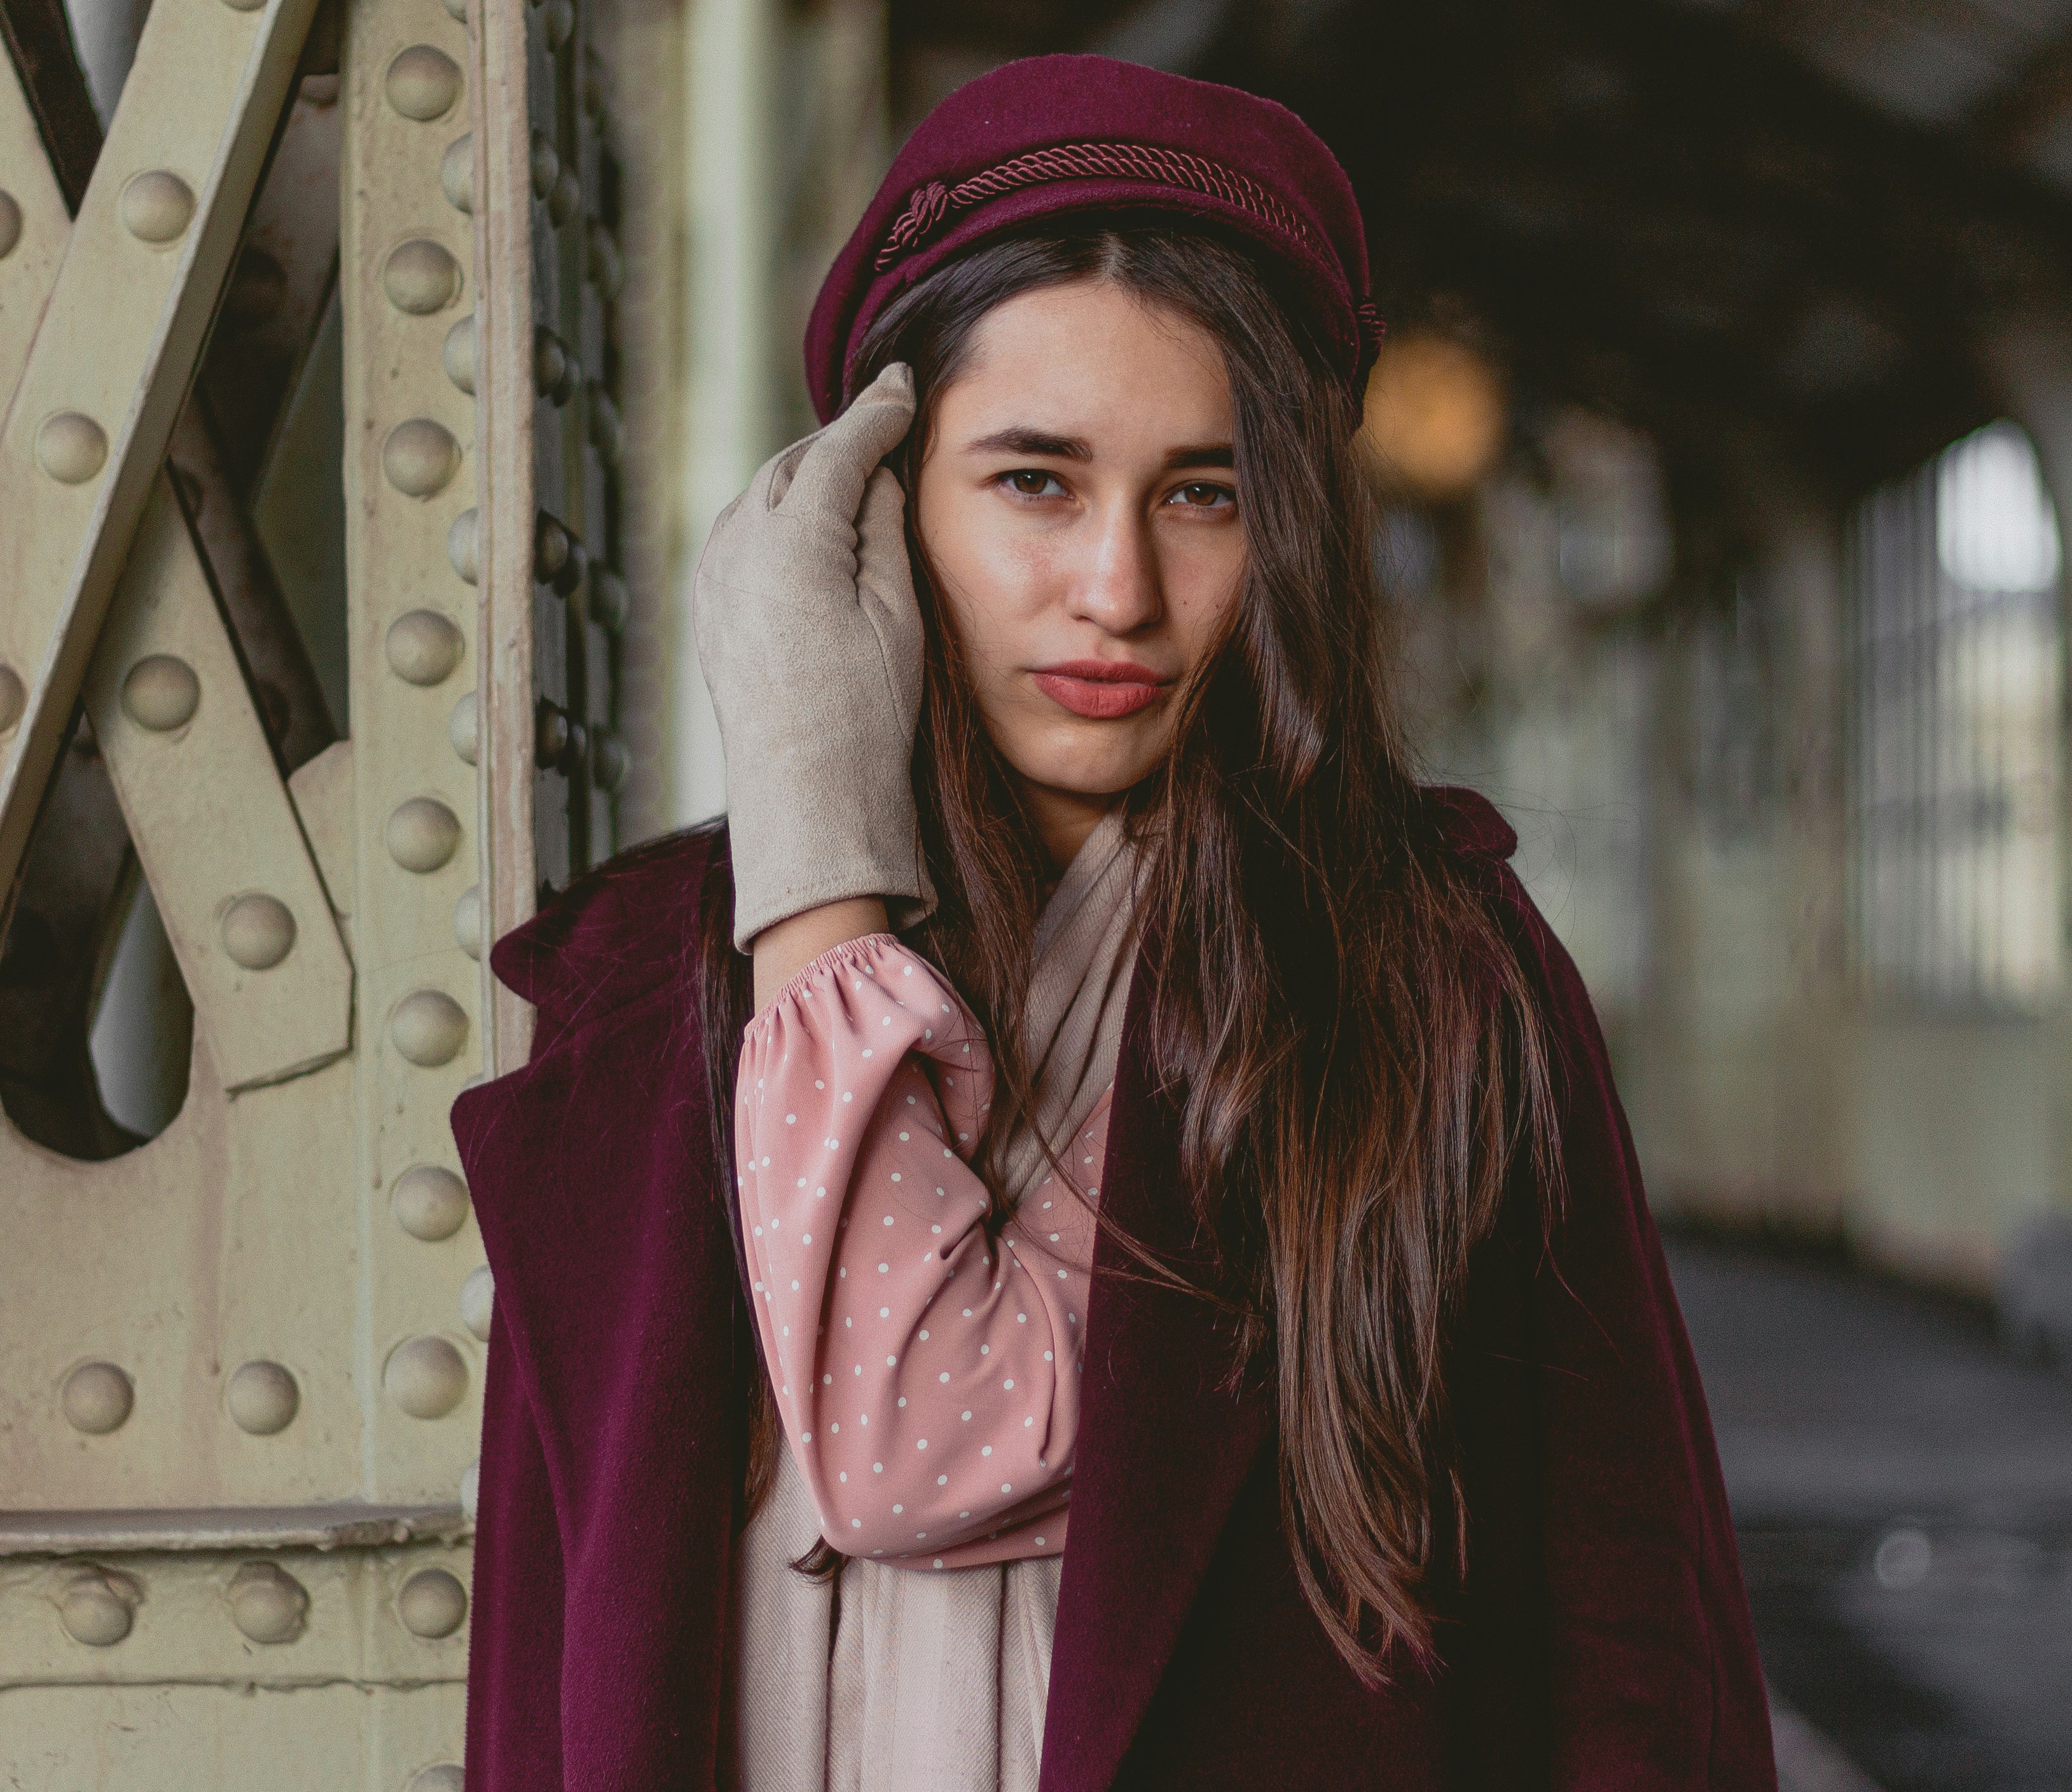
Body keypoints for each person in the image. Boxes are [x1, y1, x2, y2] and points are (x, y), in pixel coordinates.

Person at [452, 53, 1776, 1792]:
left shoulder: (1426, 975)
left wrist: (814, 882)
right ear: (879, 503)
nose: (1118, 589)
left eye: (1202, 493)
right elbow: (551, 1666)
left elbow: (1631, 1639)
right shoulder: (643, 994)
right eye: (1032, 480)